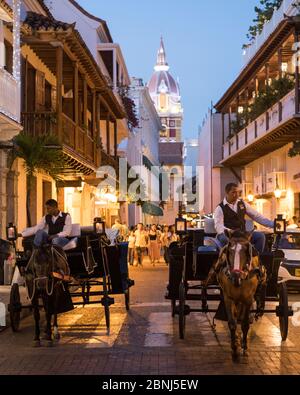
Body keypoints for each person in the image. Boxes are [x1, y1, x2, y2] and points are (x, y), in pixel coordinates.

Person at [214, 183, 274, 254]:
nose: (236, 195)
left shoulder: (242, 204)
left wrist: (272, 224)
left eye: (238, 192)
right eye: (233, 192)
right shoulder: (220, 208)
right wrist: (231, 232)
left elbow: (256, 216)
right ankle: (229, 260)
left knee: (260, 236)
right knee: (225, 239)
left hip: (242, 234)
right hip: (228, 234)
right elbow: (218, 226)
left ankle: (256, 259)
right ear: (227, 193)